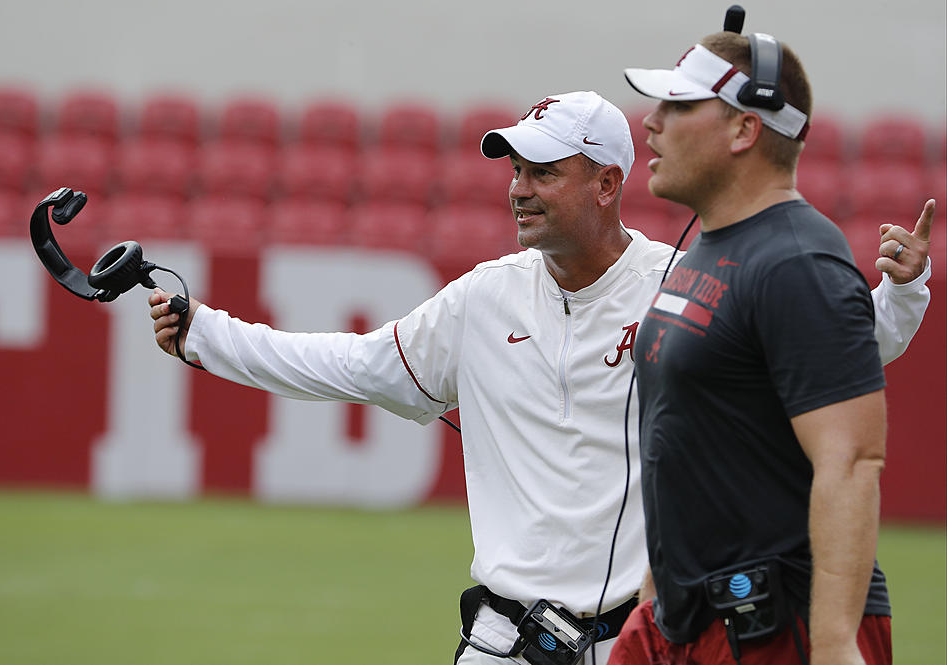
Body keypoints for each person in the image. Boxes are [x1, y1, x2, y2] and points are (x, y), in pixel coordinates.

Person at [147, 91, 931, 664]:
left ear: (606, 183)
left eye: (544, 171)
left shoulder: (688, 282)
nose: (518, 187)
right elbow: (354, 364)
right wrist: (205, 334)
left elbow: (839, 350)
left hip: (646, 638)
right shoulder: (482, 296)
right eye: (515, 169)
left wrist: (899, 291)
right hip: (503, 641)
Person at [609, 28, 935, 665]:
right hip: (683, 619)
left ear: (742, 131)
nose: (652, 122)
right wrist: (657, 595)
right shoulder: (713, 244)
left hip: (776, 628)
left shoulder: (797, 261)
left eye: (679, 106)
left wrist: (837, 643)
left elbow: (851, 461)